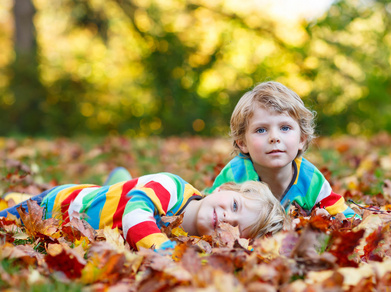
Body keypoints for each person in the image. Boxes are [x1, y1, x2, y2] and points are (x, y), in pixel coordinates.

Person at [0, 172, 286, 250]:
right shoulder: (170, 186)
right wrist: (162, 249)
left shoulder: (198, 244)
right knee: (6, 221)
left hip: (92, 223)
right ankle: (18, 199)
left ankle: (119, 178)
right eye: (234, 206)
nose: (227, 218)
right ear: (223, 190)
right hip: (60, 204)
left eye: (235, 227)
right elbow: (134, 215)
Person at [205, 81, 359, 219]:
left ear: (302, 139)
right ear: (242, 143)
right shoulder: (235, 175)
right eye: (261, 130)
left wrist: (321, 221)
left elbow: (348, 218)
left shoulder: (310, 179)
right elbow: (206, 210)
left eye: (285, 128)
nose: (274, 137)